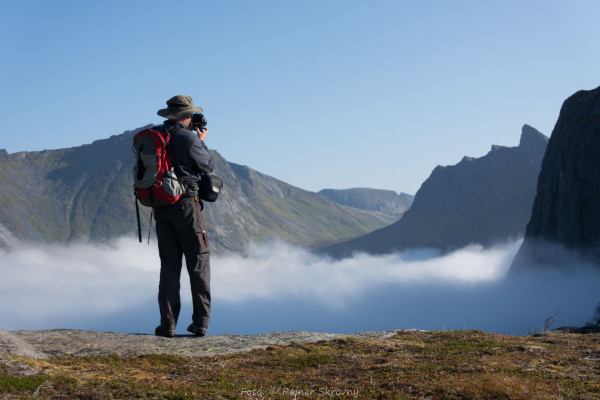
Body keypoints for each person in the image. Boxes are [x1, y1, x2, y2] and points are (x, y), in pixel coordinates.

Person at [153, 95, 214, 338]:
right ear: (187, 116)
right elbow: (207, 165)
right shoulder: (187, 138)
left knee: (169, 265)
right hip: (187, 205)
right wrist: (202, 141)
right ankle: (200, 322)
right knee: (198, 261)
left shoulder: (155, 135)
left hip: (160, 206)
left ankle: (167, 324)